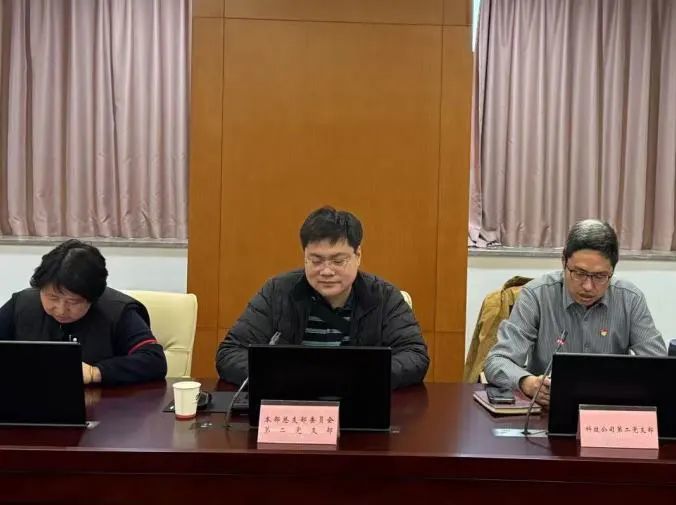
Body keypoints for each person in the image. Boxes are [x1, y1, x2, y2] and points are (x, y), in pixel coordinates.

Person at [216, 206, 430, 389]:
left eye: (338, 261)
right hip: (292, 401)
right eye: (316, 261)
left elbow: (415, 355)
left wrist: (356, 377)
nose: (326, 271)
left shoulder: (384, 297)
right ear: (305, 257)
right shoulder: (278, 292)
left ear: (358, 255)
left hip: (358, 401)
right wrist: (285, 376)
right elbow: (230, 353)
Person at [484, 219, 666, 406]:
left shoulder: (630, 299)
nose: (588, 286)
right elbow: (497, 361)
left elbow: (660, 367)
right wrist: (527, 383)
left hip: (609, 410)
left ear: (612, 270)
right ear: (564, 261)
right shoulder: (536, 295)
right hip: (549, 408)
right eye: (579, 273)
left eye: (600, 276)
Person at [0, 239, 167, 385]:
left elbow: (154, 361)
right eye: (52, 297)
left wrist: (96, 372)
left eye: (73, 302)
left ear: (93, 298)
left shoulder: (117, 312)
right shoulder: (21, 304)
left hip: (104, 405)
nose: (61, 309)